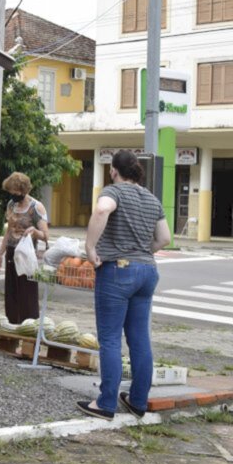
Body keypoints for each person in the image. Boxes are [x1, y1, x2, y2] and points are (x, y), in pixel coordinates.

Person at [78, 150, 170, 420]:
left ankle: (106, 403)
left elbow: (102, 209)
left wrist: (90, 247)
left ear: (114, 171)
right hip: (147, 272)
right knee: (140, 339)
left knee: (109, 339)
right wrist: (143, 252)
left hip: (117, 270)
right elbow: (164, 237)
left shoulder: (113, 191)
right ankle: (137, 401)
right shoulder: (152, 198)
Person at [0, 172, 49, 324]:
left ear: (23, 190)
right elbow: (9, 231)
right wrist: (0, 254)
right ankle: (12, 328)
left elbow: (45, 235)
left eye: (15, 191)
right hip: (12, 253)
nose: (12, 194)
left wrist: (34, 231)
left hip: (26, 255)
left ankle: (29, 329)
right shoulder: (11, 205)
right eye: (10, 191)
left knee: (27, 294)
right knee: (11, 294)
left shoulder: (36, 207)